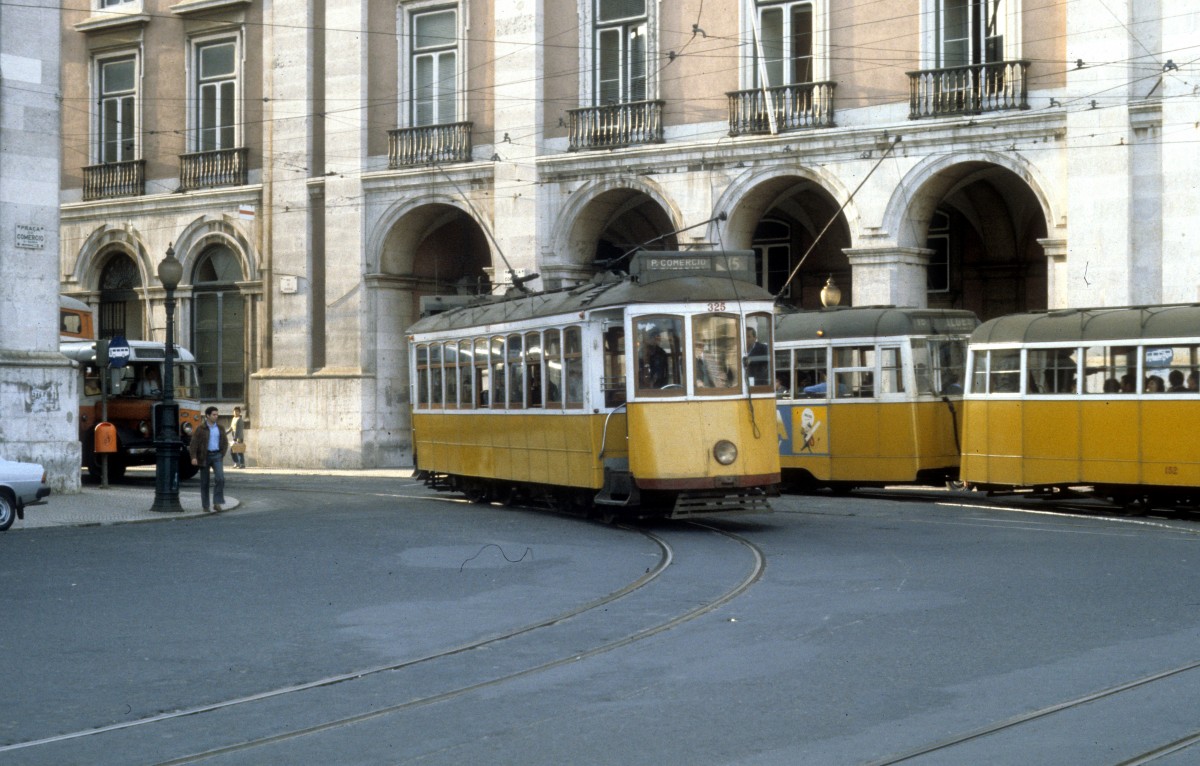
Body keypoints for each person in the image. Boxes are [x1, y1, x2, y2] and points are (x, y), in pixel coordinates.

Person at [189, 406, 228, 512]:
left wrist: (221, 454)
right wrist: (193, 457)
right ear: (207, 416)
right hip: (204, 456)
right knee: (204, 482)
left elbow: (225, 442)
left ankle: (217, 502)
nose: (216, 416)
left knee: (220, 479)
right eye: (214, 415)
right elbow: (194, 444)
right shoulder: (200, 428)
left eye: (217, 414)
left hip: (216, 456)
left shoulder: (220, 428)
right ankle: (205, 505)